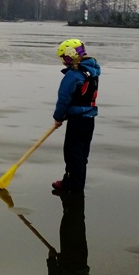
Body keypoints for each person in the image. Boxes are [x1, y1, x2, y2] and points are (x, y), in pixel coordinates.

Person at [51, 39, 100, 195]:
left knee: (72, 154)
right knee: (82, 154)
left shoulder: (73, 75)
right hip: (89, 120)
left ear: (70, 56)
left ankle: (73, 186)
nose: (63, 63)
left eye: (64, 58)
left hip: (77, 121)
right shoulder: (93, 71)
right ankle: (75, 182)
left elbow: (64, 99)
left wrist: (58, 117)